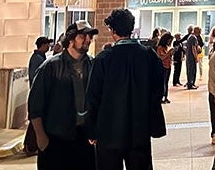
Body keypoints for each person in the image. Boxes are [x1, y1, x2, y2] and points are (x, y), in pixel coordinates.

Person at [86, 9, 165, 169]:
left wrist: (92, 129)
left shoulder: (104, 58)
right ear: (131, 28)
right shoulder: (148, 56)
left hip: (109, 131)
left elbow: (93, 96)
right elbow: (158, 91)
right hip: (139, 130)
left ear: (113, 30)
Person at [28, 21, 97, 169]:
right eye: (83, 36)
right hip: (56, 138)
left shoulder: (93, 65)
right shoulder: (51, 66)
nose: (88, 40)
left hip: (84, 139)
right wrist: (41, 137)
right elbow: (35, 104)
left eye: (90, 36)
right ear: (71, 38)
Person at [156, 32, 175, 104]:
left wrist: (172, 53)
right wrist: (169, 52)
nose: (170, 42)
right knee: (162, 82)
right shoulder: (160, 48)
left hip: (168, 66)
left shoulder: (166, 47)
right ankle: (161, 97)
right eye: (169, 41)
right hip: (163, 66)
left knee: (166, 82)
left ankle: (165, 97)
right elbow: (161, 58)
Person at [185, 24, 201, 89]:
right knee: (192, 71)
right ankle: (190, 84)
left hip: (189, 56)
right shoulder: (193, 37)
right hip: (191, 57)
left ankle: (191, 83)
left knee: (190, 70)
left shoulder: (190, 36)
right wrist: (196, 57)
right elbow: (193, 48)